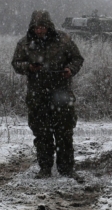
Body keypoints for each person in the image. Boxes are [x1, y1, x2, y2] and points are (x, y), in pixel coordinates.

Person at [11, 10, 84, 179]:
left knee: (64, 133)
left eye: (43, 27)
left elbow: (77, 59)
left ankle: (66, 169)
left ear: (49, 26)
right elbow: (16, 63)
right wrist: (29, 67)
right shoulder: (25, 43)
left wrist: (69, 70)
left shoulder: (64, 40)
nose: (39, 30)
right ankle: (45, 168)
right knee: (42, 134)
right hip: (37, 95)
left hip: (62, 93)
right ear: (32, 27)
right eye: (36, 27)